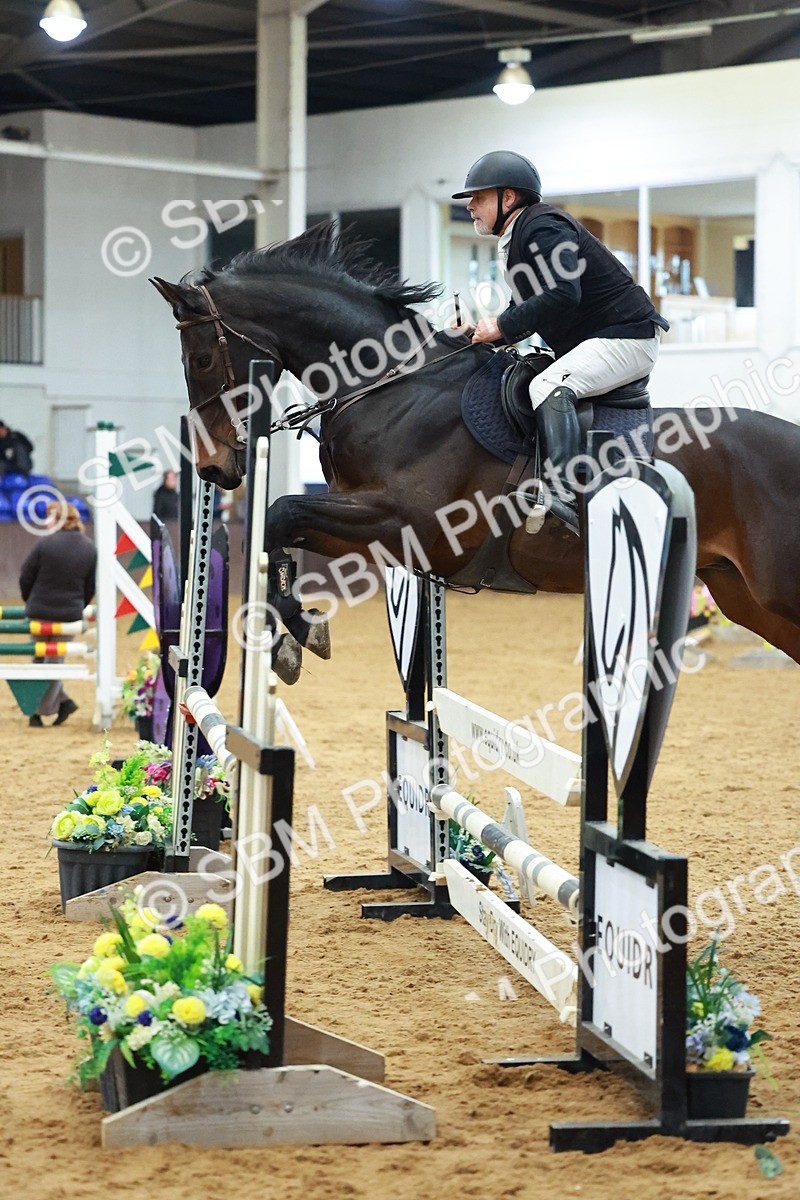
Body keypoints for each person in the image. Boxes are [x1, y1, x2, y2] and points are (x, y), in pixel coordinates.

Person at [453, 151, 669, 534]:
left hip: (627, 337)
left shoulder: (542, 226)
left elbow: (563, 293)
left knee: (548, 384)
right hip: (604, 338)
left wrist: (501, 325)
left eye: (479, 197)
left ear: (508, 198)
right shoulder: (522, 233)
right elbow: (530, 305)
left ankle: (562, 494)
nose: (470, 206)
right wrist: (484, 333)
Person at [19, 500, 96, 727]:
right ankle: (62, 702)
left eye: (50, 516)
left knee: (39, 659)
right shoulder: (89, 547)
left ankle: (38, 710)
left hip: (39, 611)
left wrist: (30, 601)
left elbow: (25, 576)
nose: (45, 521)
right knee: (54, 660)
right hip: (69, 614)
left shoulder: (44, 544)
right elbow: (90, 586)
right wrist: (79, 605)